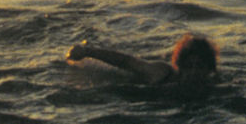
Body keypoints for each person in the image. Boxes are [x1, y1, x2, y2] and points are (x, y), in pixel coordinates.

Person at [67, 32, 219, 88]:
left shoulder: (214, 84)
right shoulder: (162, 73)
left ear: (209, 69)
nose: (193, 72)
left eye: (199, 66)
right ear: (179, 64)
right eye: (188, 65)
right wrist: (87, 52)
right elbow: (126, 62)